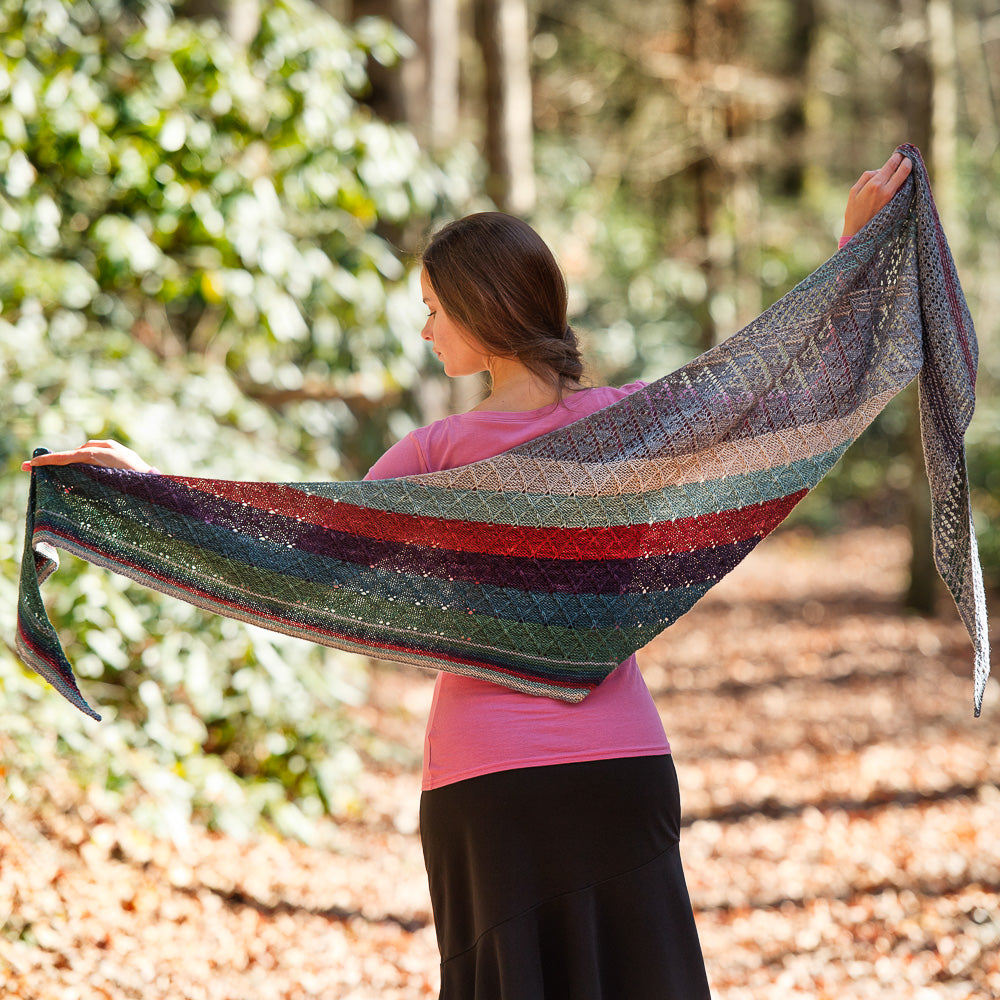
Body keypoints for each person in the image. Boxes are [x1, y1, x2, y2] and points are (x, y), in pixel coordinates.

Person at [23, 151, 912, 998]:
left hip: (487, 783)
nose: (424, 329)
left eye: (434, 309)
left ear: (482, 314)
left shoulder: (434, 456)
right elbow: (789, 390)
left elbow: (289, 559)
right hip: (622, 767)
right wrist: (853, 255)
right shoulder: (634, 428)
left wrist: (144, 494)